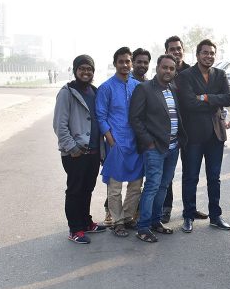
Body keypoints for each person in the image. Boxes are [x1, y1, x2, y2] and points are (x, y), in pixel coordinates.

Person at [176, 39, 230, 233]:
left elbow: (229, 98)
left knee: (214, 178)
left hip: (216, 134)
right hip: (193, 135)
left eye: (212, 53)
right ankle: (188, 215)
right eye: (205, 52)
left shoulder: (220, 74)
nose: (209, 56)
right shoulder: (185, 76)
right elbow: (189, 103)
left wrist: (206, 97)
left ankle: (216, 216)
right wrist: (214, 102)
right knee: (190, 177)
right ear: (197, 54)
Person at [129, 54, 187, 243]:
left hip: (173, 147)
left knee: (164, 185)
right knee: (152, 185)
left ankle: (155, 221)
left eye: (171, 68)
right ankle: (143, 227)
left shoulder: (173, 89)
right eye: (165, 67)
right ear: (157, 68)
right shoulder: (144, 88)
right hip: (154, 147)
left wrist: (178, 140)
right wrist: (149, 142)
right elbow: (135, 118)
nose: (168, 71)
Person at [53, 54, 107, 243]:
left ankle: (86, 222)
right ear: (75, 70)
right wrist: (72, 148)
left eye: (89, 69)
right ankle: (75, 229)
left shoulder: (94, 91)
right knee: (75, 191)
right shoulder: (67, 93)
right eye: (82, 68)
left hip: (93, 152)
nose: (86, 72)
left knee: (87, 189)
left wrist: (101, 150)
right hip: (76, 153)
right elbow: (59, 125)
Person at [96, 47, 144, 238]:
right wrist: (111, 140)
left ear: (131, 63)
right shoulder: (106, 87)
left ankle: (127, 216)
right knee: (115, 187)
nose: (125, 65)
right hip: (115, 143)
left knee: (136, 184)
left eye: (127, 61)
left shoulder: (137, 86)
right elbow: (101, 116)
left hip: (135, 142)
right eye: (121, 61)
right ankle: (117, 221)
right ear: (115, 63)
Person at [160, 35, 190, 224]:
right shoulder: (163, 73)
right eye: (172, 49)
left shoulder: (191, 72)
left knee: (189, 172)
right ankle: (166, 208)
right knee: (167, 174)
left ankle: (189, 209)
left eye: (179, 48)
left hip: (189, 131)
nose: (176, 52)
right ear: (166, 52)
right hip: (167, 132)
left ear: (183, 50)